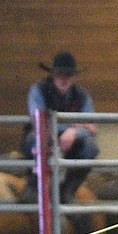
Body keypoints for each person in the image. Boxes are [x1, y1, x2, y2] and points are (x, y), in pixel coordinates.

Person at [22, 51, 99, 202]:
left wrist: (74, 132)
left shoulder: (82, 95)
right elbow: (39, 120)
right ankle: (33, 186)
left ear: (74, 77)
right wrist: (74, 127)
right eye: (59, 74)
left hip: (70, 142)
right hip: (43, 137)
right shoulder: (39, 90)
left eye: (68, 75)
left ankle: (67, 190)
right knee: (37, 140)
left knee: (91, 148)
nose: (64, 79)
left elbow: (92, 127)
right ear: (53, 74)